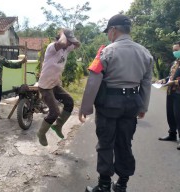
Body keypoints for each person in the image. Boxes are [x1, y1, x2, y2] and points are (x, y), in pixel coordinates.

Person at [79, 14, 154, 192]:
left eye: (108, 32)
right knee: (124, 142)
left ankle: (104, 185)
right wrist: (143, 106)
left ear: (113, 30)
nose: (108, 35)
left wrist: (86, 107)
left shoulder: (106, 52)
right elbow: (146, 82)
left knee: (106, 143)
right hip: (132, 103)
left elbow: (93, 81)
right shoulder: (145, 52)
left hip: (109, 103)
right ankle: (122, 184)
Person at [37, 29, 80, 146]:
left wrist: (71, 38)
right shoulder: (52, 48)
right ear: (61, 38)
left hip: (55, 84)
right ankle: (41, 133)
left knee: (70, 102)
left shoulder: (66, 49)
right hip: (45, 86)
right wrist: (62, 33)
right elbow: (61, 43)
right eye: (68, 41)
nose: (70, 44)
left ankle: (58, 125)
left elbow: (78, 45)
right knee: (54, 112)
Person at [157, 42, 180, 150]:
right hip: (171, 92)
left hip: (178, 92)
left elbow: (176, 79)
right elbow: (171, 75)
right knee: (170, 114)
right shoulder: (175, 62)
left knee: (178, 116)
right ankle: (172, 134)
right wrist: (164, 80)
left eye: (177, 49)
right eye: (174, 50)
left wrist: (174, 82)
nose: (174, 52)